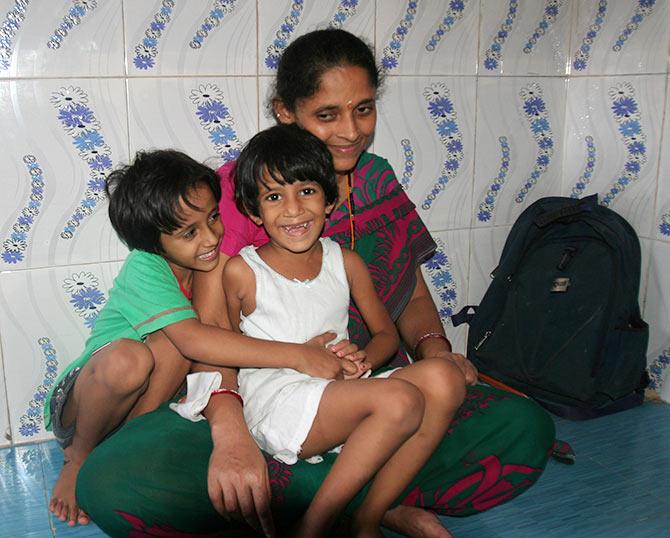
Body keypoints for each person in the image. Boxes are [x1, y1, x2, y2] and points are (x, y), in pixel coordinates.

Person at [75, 29, 555, 538]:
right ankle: (368, 498)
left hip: (360, 383)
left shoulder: (377, 180)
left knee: (522, 425)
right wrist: (230, 431)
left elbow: (410, 293)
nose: (350, 131)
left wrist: (437, 355)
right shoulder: (234, 199)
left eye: (364, 109)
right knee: (115, 481)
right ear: (286, 111)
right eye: (327, 114)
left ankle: (349, 496)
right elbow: (207, 338)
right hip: (246, 391)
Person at [45, 149, 361, 528]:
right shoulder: (145, 266)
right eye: (189, 232)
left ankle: (125, 443)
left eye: (213, 217)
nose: (211, 236)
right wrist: (295, 355)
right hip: (84, 403)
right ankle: (78, 457)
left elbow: (220, 340)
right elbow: (196, 341)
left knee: (179, 357)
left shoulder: (214, 266)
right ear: (152, 241)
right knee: (140, 356)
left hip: (138, 405)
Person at [224, 123, 466, 537]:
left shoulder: (346, 261)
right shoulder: (243, 271)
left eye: (307, 191)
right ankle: (313, 527)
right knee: (400, 399)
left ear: (331, 199)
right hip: (278, 399)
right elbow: (221, 347)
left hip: (341, 389)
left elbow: (386, 336)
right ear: (253, 211)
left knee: (445, 376)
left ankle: (368, 517)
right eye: (273, 197)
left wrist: (360, 360)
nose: (294, 210)